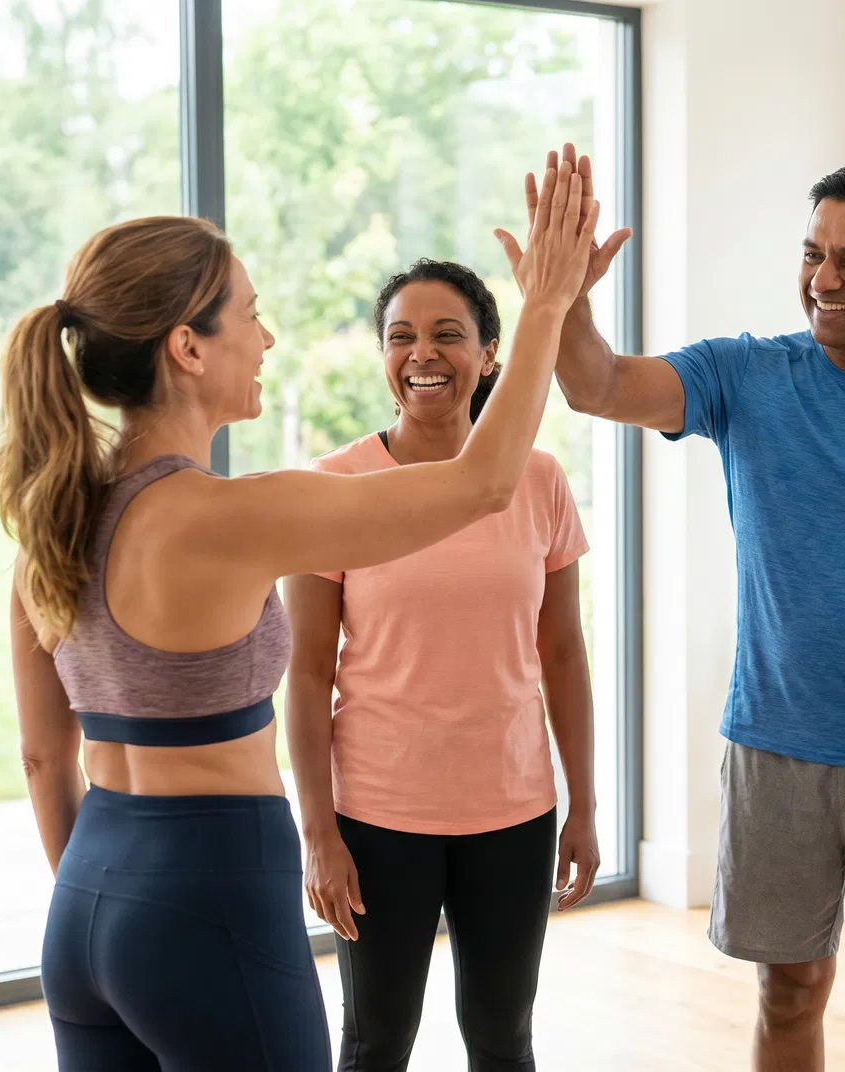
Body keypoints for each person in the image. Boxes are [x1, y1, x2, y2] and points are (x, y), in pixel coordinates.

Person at [0, 157, 598, 1071]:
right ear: (188, 348)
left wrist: (115, 905)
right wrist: (546, 305)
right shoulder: (230, 517)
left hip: (85, 904)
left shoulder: (55, 517)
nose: (267, 338)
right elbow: (483, 483)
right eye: (249, 313)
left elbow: (45, 758)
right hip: (208, 899)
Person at [505, 146, 845, 1072]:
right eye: (812, 254)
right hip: (774, 746)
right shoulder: (744, 377)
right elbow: (595, 386)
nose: (823, 280)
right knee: (787, 991)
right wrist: (566, 297)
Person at [284, 258, 598, 1072]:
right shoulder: (335, 486)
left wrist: (585, 804)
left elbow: (562, 652)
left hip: (514, 812)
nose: (423, 353)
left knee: (503, 1040)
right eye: (402, 336)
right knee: (375, 1041)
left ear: (491, 353)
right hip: (378, 817)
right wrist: (319, 832)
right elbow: (309, 671)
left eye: (447, 334)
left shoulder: (538, 478)